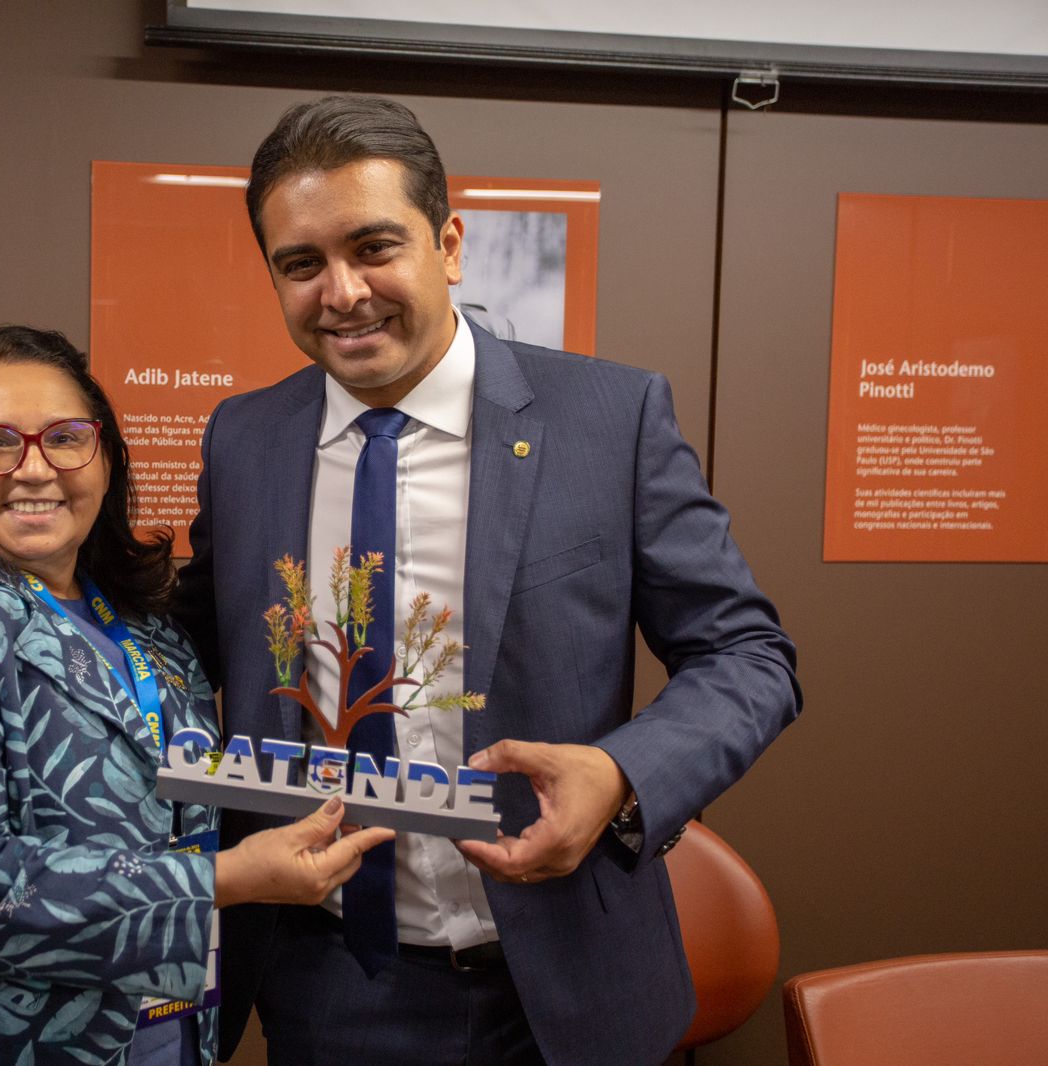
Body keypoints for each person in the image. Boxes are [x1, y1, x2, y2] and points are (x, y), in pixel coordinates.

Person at [173, 96, 802, 1066]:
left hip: (561, 988)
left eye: (373, 246)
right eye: (301, 264)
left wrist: (623, 774)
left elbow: (748, 655)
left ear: (449, 243)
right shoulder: (244, 439)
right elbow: (189, 646)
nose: (340, 291)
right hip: (331, 982)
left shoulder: (609, 418)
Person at [0, 325, 391, 1065]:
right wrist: (222, 881)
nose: (34, 469)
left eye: (66, 438)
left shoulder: (145, 627)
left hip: (156, 1033)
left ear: (103, 462)